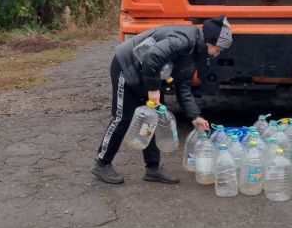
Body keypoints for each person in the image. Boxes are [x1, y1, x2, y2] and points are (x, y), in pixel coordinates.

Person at [93, 17, 232, 184]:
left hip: (149, 74)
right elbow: (152, 57)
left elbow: (183, 86)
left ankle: (152, 168)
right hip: (127, 67)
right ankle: (102, 163)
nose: (218, 53)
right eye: (219, 48)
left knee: (154, 118)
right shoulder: (183, 40)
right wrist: (153, 90)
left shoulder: (195, 52)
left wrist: (195, 117)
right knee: (123, 118)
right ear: (210, 41)